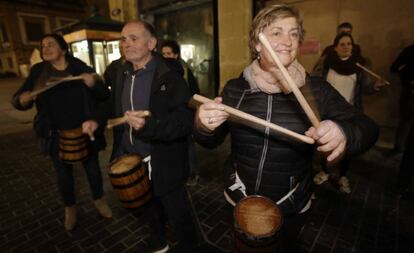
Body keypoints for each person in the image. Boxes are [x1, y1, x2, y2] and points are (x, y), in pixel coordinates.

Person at [193, 5, 379, 253]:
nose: (288, 41)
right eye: (277, 32)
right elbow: (211, 141)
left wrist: (344, 133)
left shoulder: (316, 91)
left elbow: (368, 127)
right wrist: (203, 125)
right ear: (257, 44)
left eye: (293, 33)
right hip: (239, 196)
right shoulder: (235, 89)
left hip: (290, 203)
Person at [11, 33, 112, 231]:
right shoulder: (39, 72)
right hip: (55, 133)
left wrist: (93, 84)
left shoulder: (80, 68)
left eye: (50, 45)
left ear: (63, 49)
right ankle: (70, 208)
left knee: (92, 169)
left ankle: (99, 200)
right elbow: (19, 98)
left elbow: (104, 95)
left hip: (85, 131)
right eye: (43, 46)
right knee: (63, 175)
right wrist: (22, 100)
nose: (45, 49)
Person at [112, 21, 196, 252]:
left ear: (151, 44)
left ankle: (189, 245)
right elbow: (114, 110)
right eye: (123, 39)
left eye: (133, 38)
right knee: (149, 207)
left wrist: (150, 127)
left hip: (164, 161)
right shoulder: (122, 73)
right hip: (133, 159)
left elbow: (184, 122)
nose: (126, 44)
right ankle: (158, 240)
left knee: (177, 211)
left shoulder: (171, 77)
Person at [312, 32, 386, 193]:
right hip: (329, 114)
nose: (346, 47)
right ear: (335, 47)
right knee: (326, 146)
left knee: (346, 147)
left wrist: (376, 86)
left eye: (349, 44)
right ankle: (325, 171)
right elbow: (315, 83)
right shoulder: (326, 64)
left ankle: (342, 175)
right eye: (342, 44)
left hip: (350, 114)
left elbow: (365, 88)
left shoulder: (359, 66)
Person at [160, 39, 201, 186]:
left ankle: (193, 173)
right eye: (163, 53)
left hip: (185, 112)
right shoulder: (161, 70)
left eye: (169, 53)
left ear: (176, 55)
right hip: (169, 115)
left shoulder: (184, 69)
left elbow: (195, 92)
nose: (166, 56)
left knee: (189, 144)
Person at [391, 44, 414, 196]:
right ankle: (403, 182)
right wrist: (408, 78)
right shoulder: (410, 50)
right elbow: (395, 67)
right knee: (407, 128)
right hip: (410, 94)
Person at [103, 42, 126, 162]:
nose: (122, 50)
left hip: (130, 110)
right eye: (120, 47)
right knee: (118, 139)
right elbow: (104, 82)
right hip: (117, 110)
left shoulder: (135, 64)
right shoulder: (114, 65)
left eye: (124, 47)